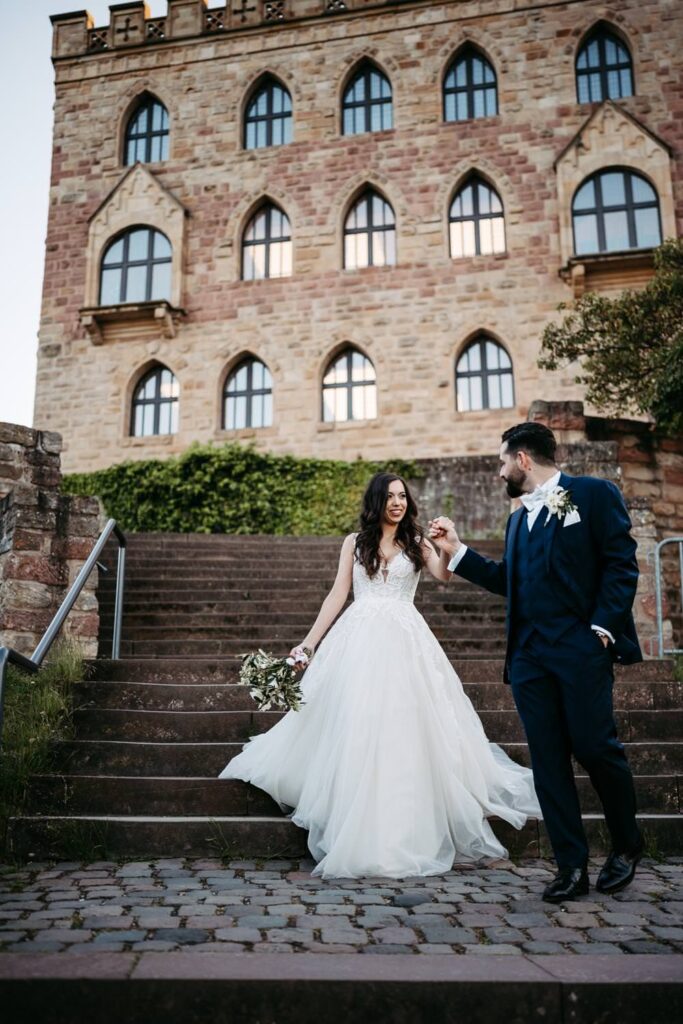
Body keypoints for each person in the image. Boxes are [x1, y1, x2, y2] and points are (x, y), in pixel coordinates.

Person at [219, 472, 541, 879]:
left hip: (406, 639)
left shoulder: (417, 540)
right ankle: (354, 814)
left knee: (405, 726)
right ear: (376, 501)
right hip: (358, 639)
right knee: (358, 724)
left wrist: (446, 545)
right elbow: (338, 593)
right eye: (389, 496)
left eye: (402, 496)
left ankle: (401, 823)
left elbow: (442, 577)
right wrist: (308, 645)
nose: (397, 502)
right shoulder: (354, 543)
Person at [430, 422, 643, 903]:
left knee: (595, 747)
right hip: (528, 658)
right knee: (547, 763)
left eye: (502, 461)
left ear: (523, 459)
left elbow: (620, 562)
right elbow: (512, 581)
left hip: (581, 649)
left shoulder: (593, 495)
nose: (499, 471)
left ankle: (628, 844)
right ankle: (571, 866)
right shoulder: (516, 521)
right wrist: (457, 553)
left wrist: (602, 631)